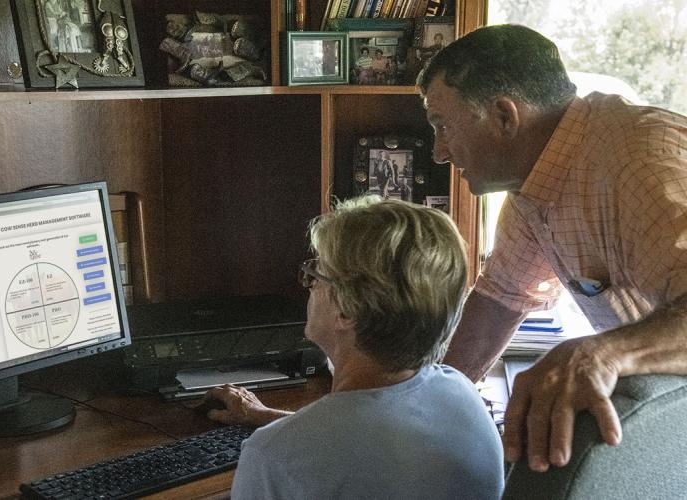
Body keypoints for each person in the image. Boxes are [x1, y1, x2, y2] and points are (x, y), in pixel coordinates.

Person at [418, 24, 687, 474]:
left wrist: (601, 352)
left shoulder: (638, 162)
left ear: (505, 116)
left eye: (442, 126)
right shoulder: (535, 186)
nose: (438, 152)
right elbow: (498, 299)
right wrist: (421, 404)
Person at [204, 196, 504, 499]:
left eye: (316, 274)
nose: (309, 285)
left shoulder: (273, 456)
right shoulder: (463, 397)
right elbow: (365, 442)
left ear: (346, 310)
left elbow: (332, 448)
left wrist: (277, 434)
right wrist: (262, 414)